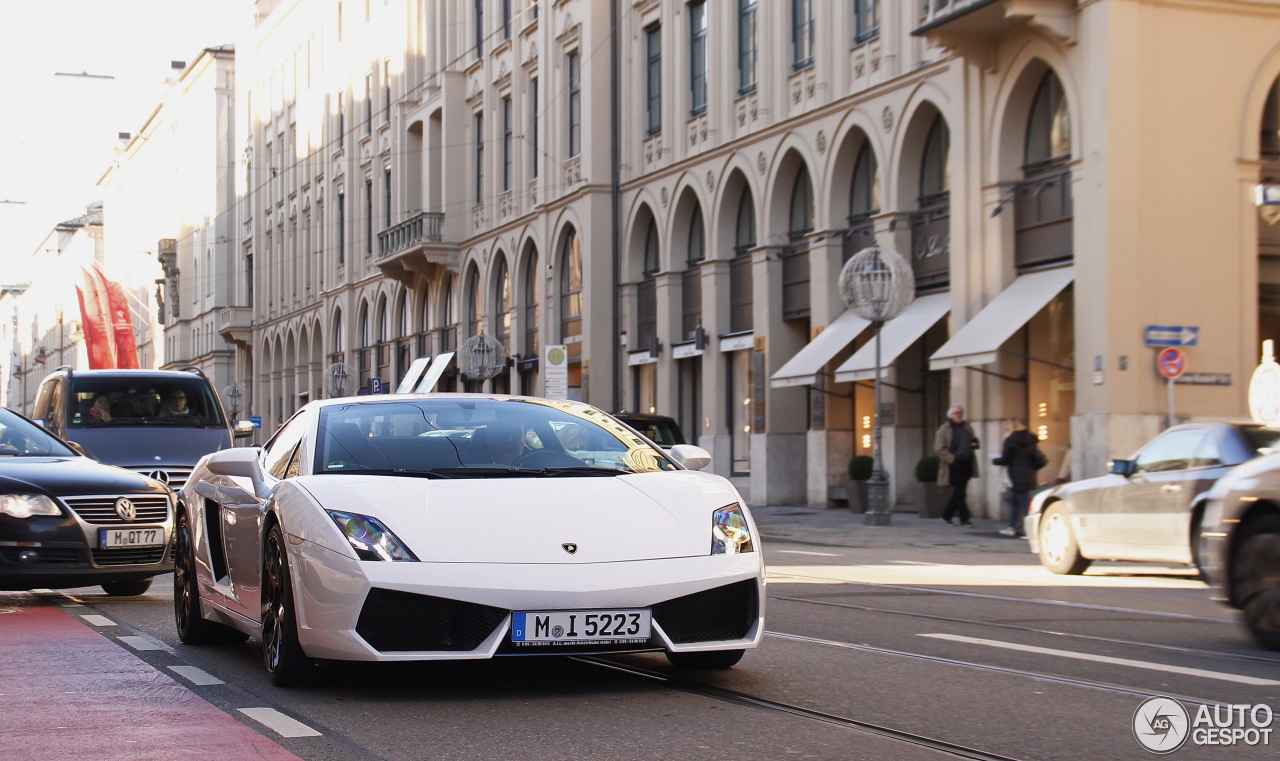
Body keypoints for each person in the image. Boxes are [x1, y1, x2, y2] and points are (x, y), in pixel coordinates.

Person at [992, 418, 1047, 537]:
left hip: (1016, 474)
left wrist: (995, 460)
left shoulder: (1010, 440)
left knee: (1025, 503)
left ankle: (1031, 530)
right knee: (1015, 501)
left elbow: (1006, 459)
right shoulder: (1031, 438)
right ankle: (1012, 527)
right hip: (1028, 473)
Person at [934, 404, 979, 527]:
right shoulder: (945, 429)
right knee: (960, 492)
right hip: (955, 463)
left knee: (960, 491)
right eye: (957, 413)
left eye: (961, 413)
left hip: (967, 462)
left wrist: (975, 443)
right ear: (951, 415)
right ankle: (965, 519)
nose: (959, 415)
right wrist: (951, 459)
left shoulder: (967, 427)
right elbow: (939, 448)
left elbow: (973, 440)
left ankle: (946, 515)